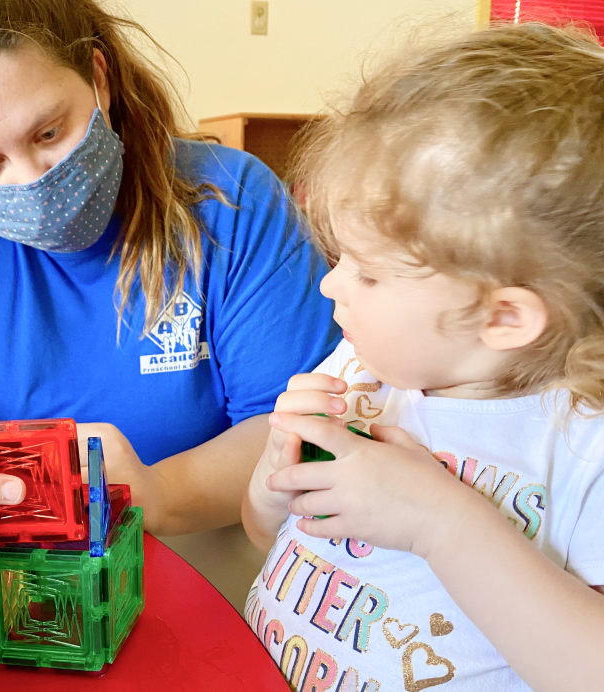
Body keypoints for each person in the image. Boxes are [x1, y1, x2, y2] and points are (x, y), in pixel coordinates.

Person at [0, 0, 340, 563]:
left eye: (49, 132)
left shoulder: (234, 202)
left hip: (206, 560)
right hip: (1, 579)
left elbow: (290, 428)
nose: (33, 183)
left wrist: (156, 495)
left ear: (98, 77)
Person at [242, 23, 604, 692]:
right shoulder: (360, 369)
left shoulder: (583, 443)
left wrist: (440, 522)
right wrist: (275, 475)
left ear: (502, 316)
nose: (330, 284)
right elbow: (264, 536)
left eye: (369, 273)